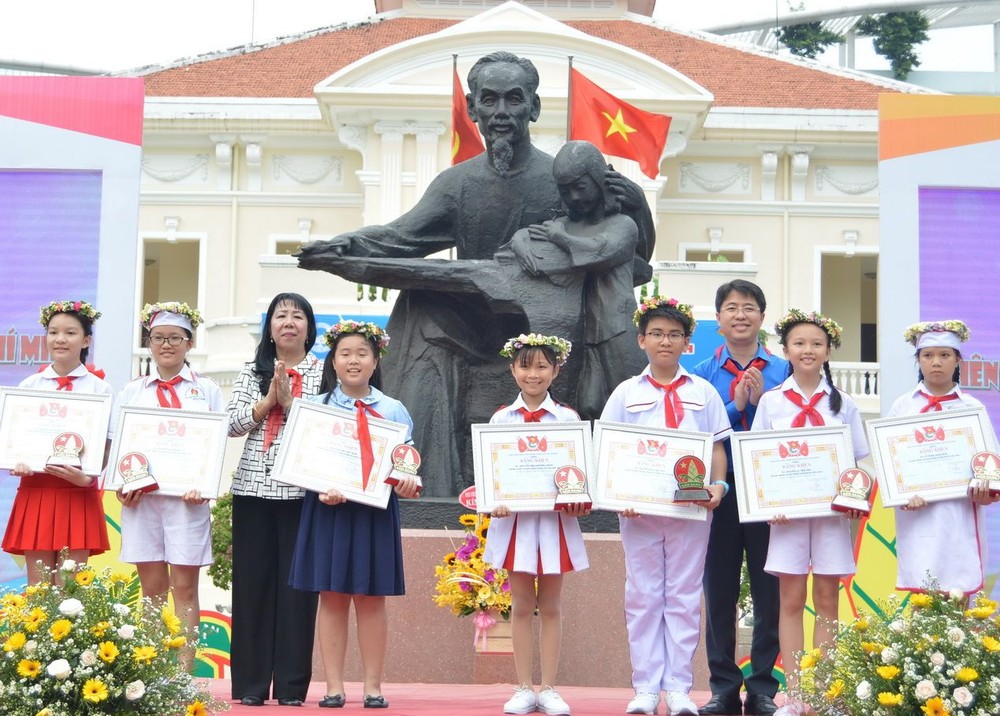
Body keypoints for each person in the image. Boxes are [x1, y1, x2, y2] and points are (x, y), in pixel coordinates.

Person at [298, 51, 655, 496]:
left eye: (513, 100)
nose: (501, 113)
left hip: (547, 321)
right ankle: (426, 483)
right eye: (489, 101)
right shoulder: (457, 184)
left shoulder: (561, 178)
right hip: (475, 318)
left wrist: (637, 206)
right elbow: (399, 238)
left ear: (534, 107)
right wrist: (345, 246)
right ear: (472, 109)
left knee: (558, 321)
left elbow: (628, 258)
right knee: (419, 306)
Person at [600, 296, 730, 716]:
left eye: (674, 335)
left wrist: (719, 486)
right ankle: (644, 687)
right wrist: (619, 494)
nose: (665, 341)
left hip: (691, 512)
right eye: (656, 333)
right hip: (639, 514)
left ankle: (678, 688)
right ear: (641, 340)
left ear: (686, 343)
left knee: (684, 595)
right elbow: (610, 450)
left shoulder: (704, 392)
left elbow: (716, 447)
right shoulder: (625, 393)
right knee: (642, 595)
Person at [288, 320, 420, 710]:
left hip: (373, 512)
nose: (353, 360)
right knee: (331, 597)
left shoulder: (392, 409)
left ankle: (373, 686)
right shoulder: (318, 407)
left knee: (371, 597)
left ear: (376, 359)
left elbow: (405, 460)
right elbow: (303, 460)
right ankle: (332, 686)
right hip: (327, 509)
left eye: (362, 353)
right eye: (345, 353)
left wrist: (409, 479)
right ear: (334, 360)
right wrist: (318, 485)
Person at [750, 309, 869, 716]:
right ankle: (796, 694)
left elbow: (858, 461)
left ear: (829, 350)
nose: (808, 350)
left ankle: (824, 695)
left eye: (817, 343)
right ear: (785, 349)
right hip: (788, 518)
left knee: (827, 599)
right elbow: (759, 462)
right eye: (799, 343)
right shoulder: (771, 402)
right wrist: (770, 504)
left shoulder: (845, 403)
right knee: (791, 599)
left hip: (831, 517)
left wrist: (854, 494)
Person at [692, 281, 787, 716]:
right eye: (731, 308)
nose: (741, 315)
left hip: (769, 487)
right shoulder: (700, 372)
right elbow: (694, 434)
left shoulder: (785, 370)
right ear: (719, 318)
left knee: (771, 590)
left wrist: (764, 405)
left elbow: (797, 428)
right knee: (719, 589)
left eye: (749, 308)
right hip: (721, 490)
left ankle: (764, 687)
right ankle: (724, 687)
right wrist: (734, 406)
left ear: (762, 317)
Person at [483, 333, 588, 716]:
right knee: (522, 604)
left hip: (554, 523)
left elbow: (578, 476)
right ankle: (524, 686)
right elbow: (493, 474)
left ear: (556, 369)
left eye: (542, 365)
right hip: (515, 524)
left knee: (553, 605)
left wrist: (579, 500)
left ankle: (550, 687)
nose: (533, 373)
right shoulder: (501, 418)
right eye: (525, 365)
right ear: (512, 369)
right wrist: (494, 502)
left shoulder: (567, 419)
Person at [115, 301, 223, 670]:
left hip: (186, 502)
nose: (166, 345)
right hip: (142, 503)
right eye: (159, 337)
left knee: (186, 588)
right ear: (149, 342)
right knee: (152, 589)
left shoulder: (206, 390)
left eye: (175, 338)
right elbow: (119, 445)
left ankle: (183, 672)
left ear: (189, 343)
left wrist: (204, 483)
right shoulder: (132, 392)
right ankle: (149, 669)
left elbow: (215, 444)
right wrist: (121, 485)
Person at [226, 292, 322, 707]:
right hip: (253, 491)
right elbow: (231, 424)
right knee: (251, 588)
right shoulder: (253, 371)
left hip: (302, 492)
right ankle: (248, 685)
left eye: (296, 316)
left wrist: (293, 404)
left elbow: (326, 427)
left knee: (297, 592)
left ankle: (291, 687)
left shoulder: (325, 372)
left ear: (308, 327)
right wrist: (269, 402)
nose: (288, 322)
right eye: (280, 315)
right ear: (269, 328)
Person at [508, 140, 647, 419]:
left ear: (599, 181)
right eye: (565, 190)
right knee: (588, 405)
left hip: (617, 330)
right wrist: (519, 238)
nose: (573, 197)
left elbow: (597, 252)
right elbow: (534, 234)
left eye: (580, 187)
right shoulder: (567, 224)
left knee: (633, 405)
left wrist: (559, 237)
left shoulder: (622, 225)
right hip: (582, 333)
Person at [2, 300, 112, 584]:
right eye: (53, 332)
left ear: (86, 340)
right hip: (36, 490)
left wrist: (88, 477)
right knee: (38, 593)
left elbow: (108, 445)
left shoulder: (100, 390)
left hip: (77, 492)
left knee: (70, 595)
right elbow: (15, 441)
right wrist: (18, 462)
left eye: (70, 333)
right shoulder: (29, 387)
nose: (60, 339)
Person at [890, 321, 1000, 596]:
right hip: (918, 516)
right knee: (922, 597)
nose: (936, 362)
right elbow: (891, 465)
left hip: (959, 515)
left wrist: (986, 490)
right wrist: (903, 496)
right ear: (918, 360)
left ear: (958, 360)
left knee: (958, 594)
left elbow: (990, 468)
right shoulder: (903, 406)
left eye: (945, 355)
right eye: (928, 356)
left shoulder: (972, 408)